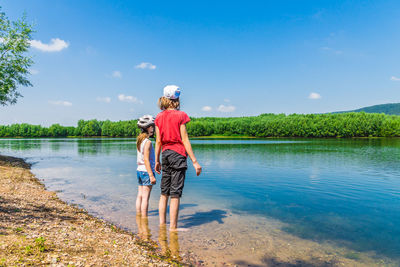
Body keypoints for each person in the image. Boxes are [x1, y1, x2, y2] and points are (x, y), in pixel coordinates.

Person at [155, 85, 202, 231]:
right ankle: (173, 228)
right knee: (175, 194)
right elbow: (185, 139)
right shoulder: (181, 115)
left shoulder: (158, 117)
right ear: (176, 99)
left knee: (164, 193)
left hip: (165, 154)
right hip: (178, 154)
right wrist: (194, 161)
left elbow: (158, 141)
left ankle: (162, 224)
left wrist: (156, 160)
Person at [136, 115, 156, 217]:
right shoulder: (148, 142)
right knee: (145, 198)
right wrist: (151, 175)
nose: (153, 128)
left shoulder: (140, 140)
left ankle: (138, 216)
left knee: (140, 195)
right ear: (148, 127)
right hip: (146, 171)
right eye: (152, 126)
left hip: (139, 170)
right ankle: (144, 219)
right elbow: (146, 160)